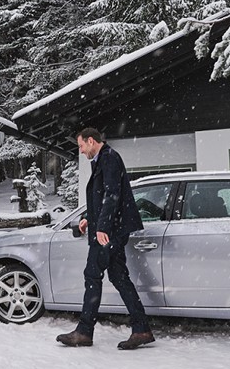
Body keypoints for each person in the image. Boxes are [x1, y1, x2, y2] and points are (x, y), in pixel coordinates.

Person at [56, 127, 155, 350]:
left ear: (91, 141)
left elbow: (113, 195)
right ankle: (141, 329)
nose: (81, 151)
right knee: (119, 277)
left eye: (81, 146)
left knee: (93, 274)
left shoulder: (110, 158)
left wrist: (102, 227)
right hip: (112, 227)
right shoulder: (103, 159)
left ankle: (84, 331)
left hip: (111, 230)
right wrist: (87, 219)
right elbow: (99, 197)